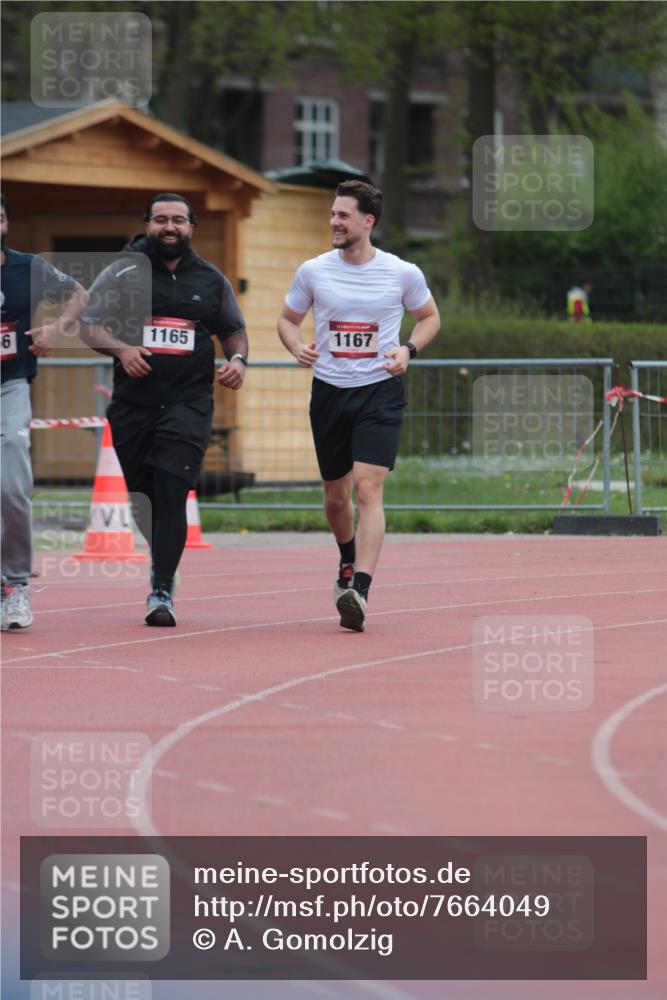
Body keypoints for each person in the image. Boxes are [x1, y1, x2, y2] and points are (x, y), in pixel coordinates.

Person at [277, 180, 440, 632]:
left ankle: (360, 591)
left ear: (368, 221)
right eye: (332, 214)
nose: (334, 221)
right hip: (329, 391)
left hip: (379, 390)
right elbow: (287, 320)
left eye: (343, 215)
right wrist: (296, 346)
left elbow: (430, 317)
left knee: (369, 489)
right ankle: (347, 557)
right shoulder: (313, 271)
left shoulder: (402, 272)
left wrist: (408, 349)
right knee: (336, 496)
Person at [81, 193, 249, 627]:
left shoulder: (211, 279)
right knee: (144, 498)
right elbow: (89, 324)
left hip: (188, 403)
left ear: (191, 226)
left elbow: (233, 330)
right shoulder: (122, 272)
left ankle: (160, 589)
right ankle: (163, 560)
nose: (169, 227)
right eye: (160, 220)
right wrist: (121, 350)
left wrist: (237, 360)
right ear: (148, 225)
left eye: (177, 219)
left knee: (172, 489)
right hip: (133, 405)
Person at [1, 193, 88, 630]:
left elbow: (79, 294)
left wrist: (56, 327)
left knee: (11, 482)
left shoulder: (28, 267)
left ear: (6, 224)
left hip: (10, 384)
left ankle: (15, 584)